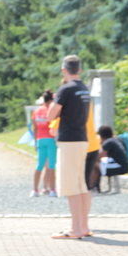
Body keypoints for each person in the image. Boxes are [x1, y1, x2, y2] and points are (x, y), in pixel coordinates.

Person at [47, 55, 92, 239]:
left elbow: (50, 116)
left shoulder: (66, 89)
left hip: (69, 141)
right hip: (82, 139)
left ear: (64, 70)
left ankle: (75, 229)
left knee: (71, 186)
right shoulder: (84, 88)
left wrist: (56, 102)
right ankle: (82, 226)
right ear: (79, 69)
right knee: (80, 185)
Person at [31, 90, 57, 197]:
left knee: (39, 165)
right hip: (50, 139)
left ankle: (35, 190)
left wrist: (35, 141)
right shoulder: (51, 111)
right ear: (50, 100)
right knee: (51, 165)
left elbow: (35, 128)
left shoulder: (36, 111)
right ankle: (52, 190)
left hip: (40, 139)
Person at [89, 125, 128, 192]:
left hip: (119, 167)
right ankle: (94, 187)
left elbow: (99, 156)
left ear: (101, 135)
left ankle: (92, 187)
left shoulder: (108, 142)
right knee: (97, 164)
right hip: (124, 166)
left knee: (94, 164)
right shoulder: (116, 140)